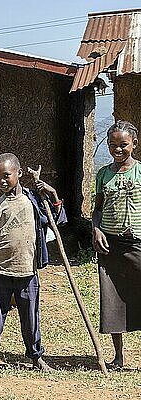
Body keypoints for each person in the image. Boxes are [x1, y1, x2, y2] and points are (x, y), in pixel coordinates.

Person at [0, 153, 66, 374]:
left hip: (27, 270)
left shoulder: (34, 200)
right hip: (0, 268)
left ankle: (36, 357)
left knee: (31, 316)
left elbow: (57, 220)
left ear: (19, 173)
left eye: (6, 175)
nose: (1, 181)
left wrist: (52, 194)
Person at [92, 120, 141, 370]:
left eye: (123, 144)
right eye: (112, 145)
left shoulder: (140, 172)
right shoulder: (103, 174)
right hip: (111, 247)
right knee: (112, 301)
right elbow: (97, 208)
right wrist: (97, 228)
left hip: (138, 245)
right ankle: (118, 357)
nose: (117, 149)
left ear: (134, 144)